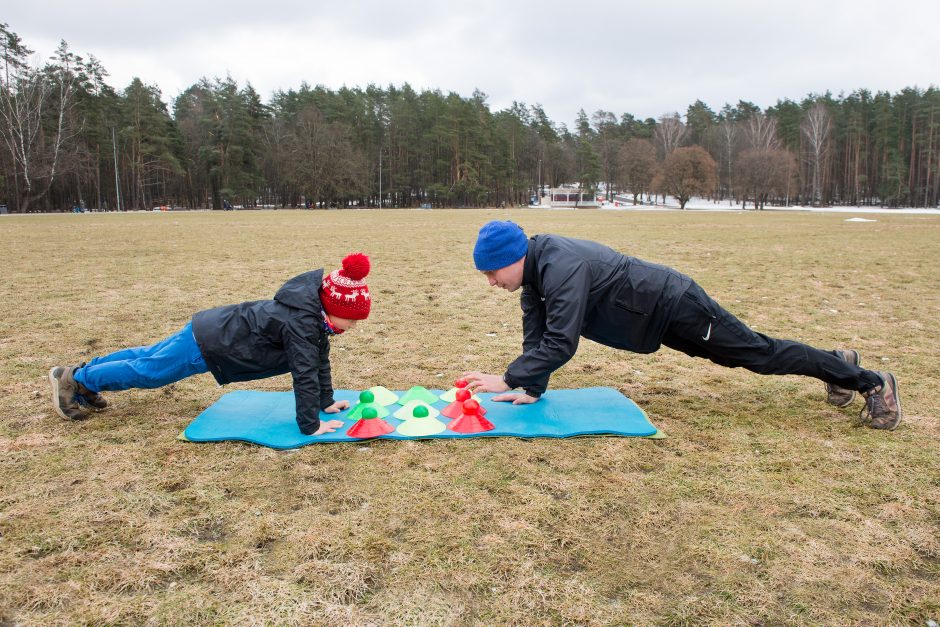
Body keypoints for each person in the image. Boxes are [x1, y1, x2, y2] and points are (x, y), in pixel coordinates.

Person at [462, 221, 902, 430]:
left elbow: (562, 340)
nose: (490, 283)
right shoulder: (535, 280)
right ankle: (836, 364)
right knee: (743, 356)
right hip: (654, 320)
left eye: (492, 272)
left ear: (513, 258)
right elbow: (538, 339)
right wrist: (530, 386)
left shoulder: (561, 265)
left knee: (757, 354)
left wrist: (507, 376)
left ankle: (871, 382)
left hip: (676, 304)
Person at [48, 253, 374, 436]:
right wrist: (311, 424)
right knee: (150, 371)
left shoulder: (310, 315)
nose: (354, 326)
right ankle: (76, 380)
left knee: (148, 357)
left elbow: (319, 361)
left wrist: (326, 400)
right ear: (333, 308)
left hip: (211, 329)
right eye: (353, 319)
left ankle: (82, 374)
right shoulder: (302, 323)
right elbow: (304, 373)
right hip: (211, 344)